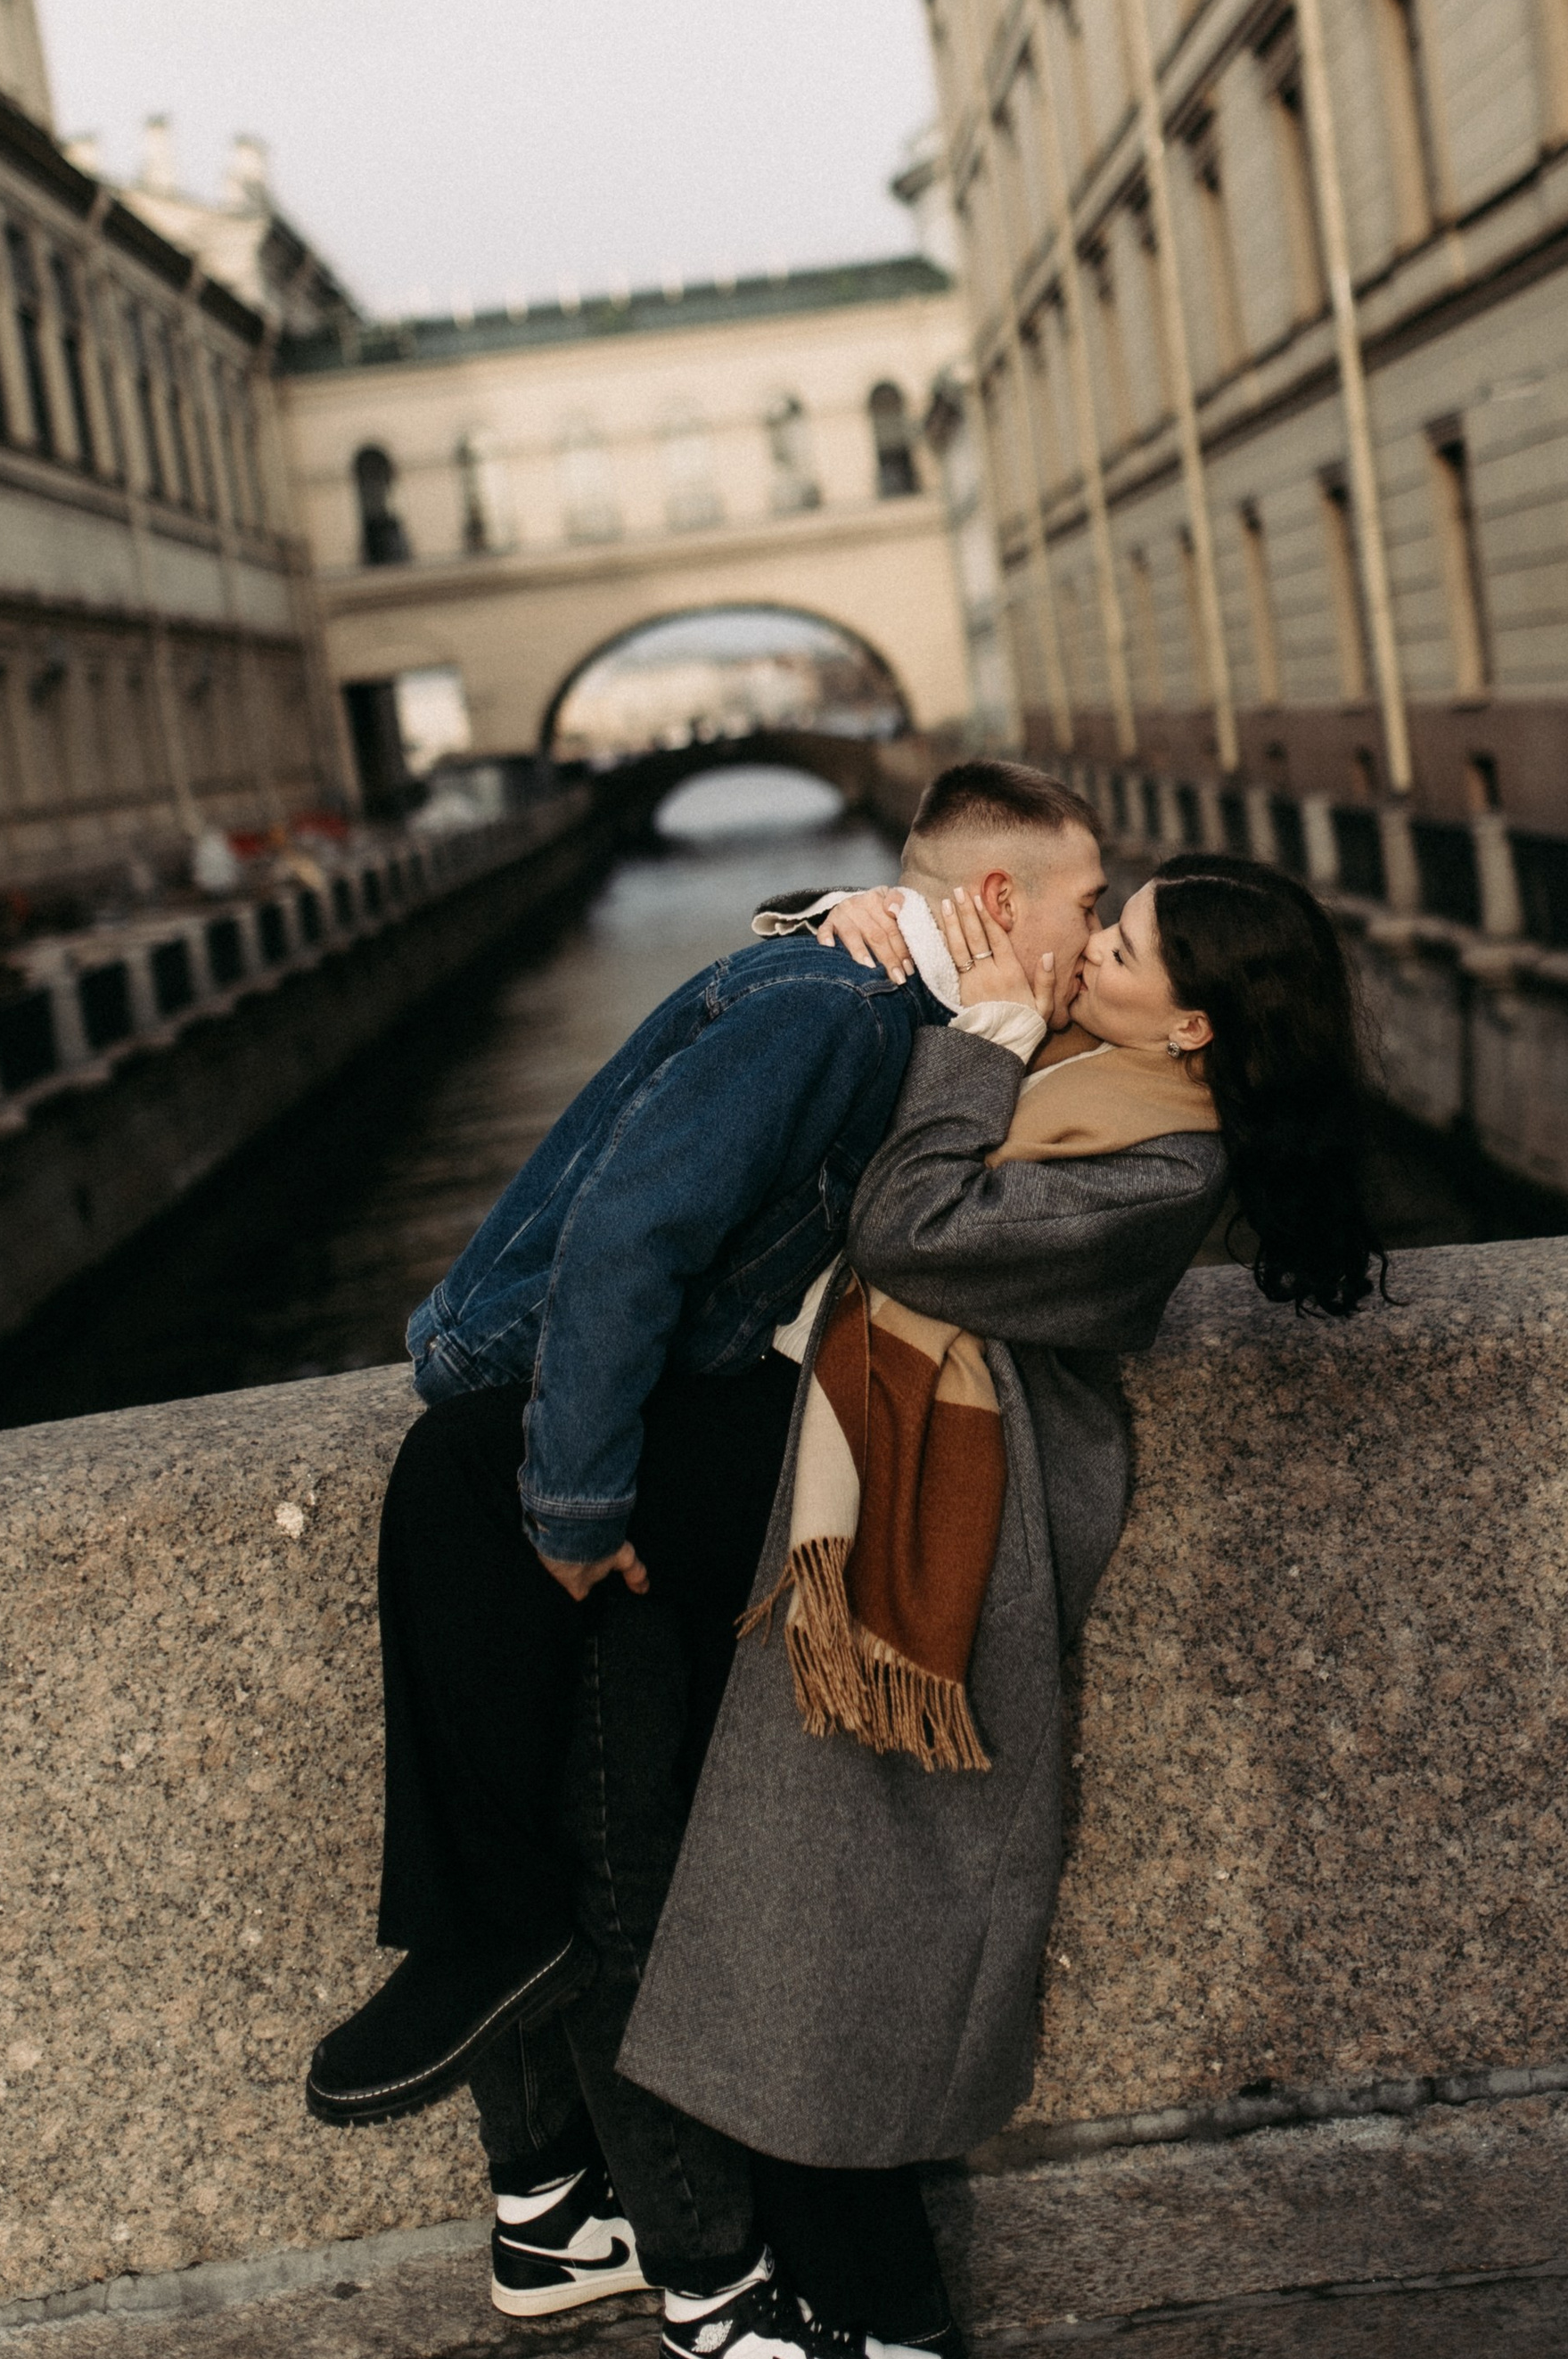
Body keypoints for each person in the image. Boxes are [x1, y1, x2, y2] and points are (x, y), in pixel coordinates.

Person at [333, 845, 1382, 2359]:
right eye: (1105, 918)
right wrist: (842, 922)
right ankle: (522, 2039)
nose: (1089, 945)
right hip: (857, 1454)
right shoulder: (1095, 1073)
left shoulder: (1156, 1172)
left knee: (499, 1499)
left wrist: (972, 1028)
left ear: (1197, 1033)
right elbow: (899, 1044)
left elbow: (907, 1225)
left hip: (928, 1523)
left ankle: (854, 2309)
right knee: (507, 1530)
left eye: (1127, 942)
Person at [303, 760, 1107, 2134]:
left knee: (479, 1539)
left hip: (699, 1388)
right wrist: (572, 1504)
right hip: (524, 1362)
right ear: (993, 896)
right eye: (1086, 907)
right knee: (460, 1494)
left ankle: (512, 2010)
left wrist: (838, 917)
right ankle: (497, 1946)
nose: (1093, 938)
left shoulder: (902, 1000)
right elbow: (632, 1237)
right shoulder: (836, 1012)